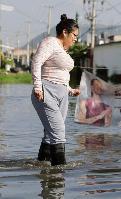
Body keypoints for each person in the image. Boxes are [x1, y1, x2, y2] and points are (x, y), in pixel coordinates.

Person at [31, 14, 80, 166]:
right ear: (65, 32)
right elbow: (37, 62)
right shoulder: (50, 42)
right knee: (58, 133)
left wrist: (71, 90)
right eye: (74, 35)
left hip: (62, 94)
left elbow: (61, 75)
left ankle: (43, 167)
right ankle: (59, 174)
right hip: (47, 92)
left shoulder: (62, 50)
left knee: (50, 134)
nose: (75, 39)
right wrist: (38, 87)